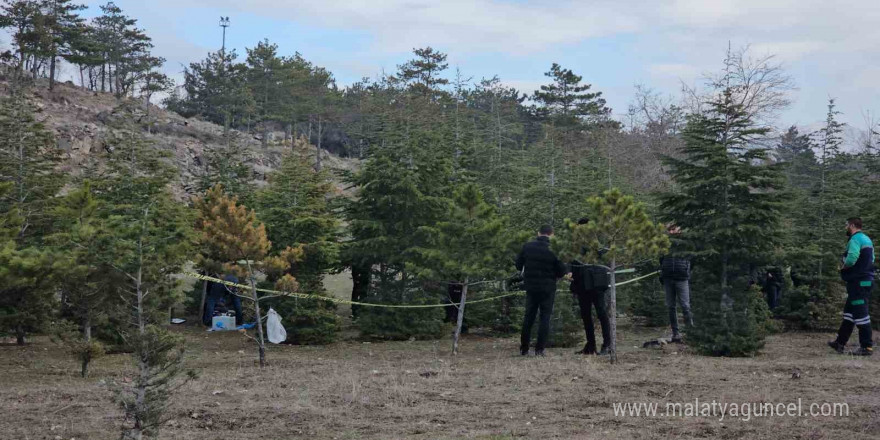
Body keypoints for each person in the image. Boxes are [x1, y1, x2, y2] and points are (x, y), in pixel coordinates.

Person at [516, 225, 568, 356]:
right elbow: (561, 270)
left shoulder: (527, 246)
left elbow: (518, 265)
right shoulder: (555, 249)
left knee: (528, 317)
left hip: (531, 287)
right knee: (545, 318)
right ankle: (539, 350)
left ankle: (524, 349)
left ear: (538, 233)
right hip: (548, 287)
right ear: (552, 235)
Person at [828, 218, 874, 356]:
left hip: (859, 283)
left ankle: (867, 347)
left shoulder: (855, 239)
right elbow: (871, 259)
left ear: (853, 226)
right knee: (849, 314)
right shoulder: (867, 239)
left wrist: (843, 266)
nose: (846, 228)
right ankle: (839, 343)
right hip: (865, 281)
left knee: (861, 314)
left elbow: (852, 257)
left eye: (846, 225)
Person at [570, 217, 611, 355]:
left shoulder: (598, 238)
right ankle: (591, 345)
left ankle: (607, 344)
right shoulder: (577, 241)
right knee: (586, 315)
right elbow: (574, 262)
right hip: (582, 283)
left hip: (597, 282)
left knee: (601, 313)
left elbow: (603, 253)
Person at [659, 225, 693, 343]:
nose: (672, 231)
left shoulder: (685, 243)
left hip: (682, 278)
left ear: (680, 229)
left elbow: (691, 258)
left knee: (685, 306)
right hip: (668, 278)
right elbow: (661, 259)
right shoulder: (664, 243)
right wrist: (663, 272)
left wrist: (686, 270)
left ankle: (690, 333)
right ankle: (675, 334)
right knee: (671, 306)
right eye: (670, 229)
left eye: (674, 229)